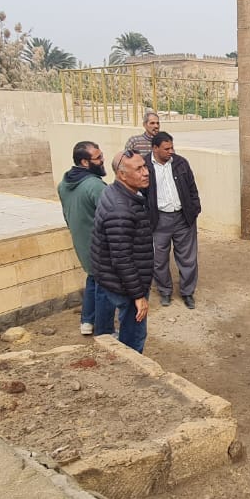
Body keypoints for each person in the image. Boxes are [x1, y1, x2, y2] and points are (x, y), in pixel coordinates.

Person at [89, 150, 154, 353]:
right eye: (138, 169)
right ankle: (131, 366)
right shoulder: (121, 209)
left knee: (106, 333)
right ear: (122, 175)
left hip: (109, 277)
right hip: (124, 284)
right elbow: (122, 259)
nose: (146, 172)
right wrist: (138, 295)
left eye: (145, 166)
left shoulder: (114, 191)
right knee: (134, 337)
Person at [57, 140, 114, 336]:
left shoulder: (63, 184)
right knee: (106, 286)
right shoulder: (95, 186)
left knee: (92, 278)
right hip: (99, 246)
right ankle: (105, 331)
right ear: (84, 162)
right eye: (98, 158)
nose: (102, 160)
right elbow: (111, 217)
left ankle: (87, 321)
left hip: (82, 244)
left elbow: (67, 215)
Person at [144, 131, 202, 309]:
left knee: (188, 258)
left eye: (172, 147)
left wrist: (194, 209)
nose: (171, 151)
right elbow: (139, 194)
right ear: (155, 148)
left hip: (183, 218)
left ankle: (187, 292)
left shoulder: (180, 163)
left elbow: (192, 188)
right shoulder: (145, 166)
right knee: (158, 259)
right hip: (158, 220)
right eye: (166, 148)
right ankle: (165, 291)